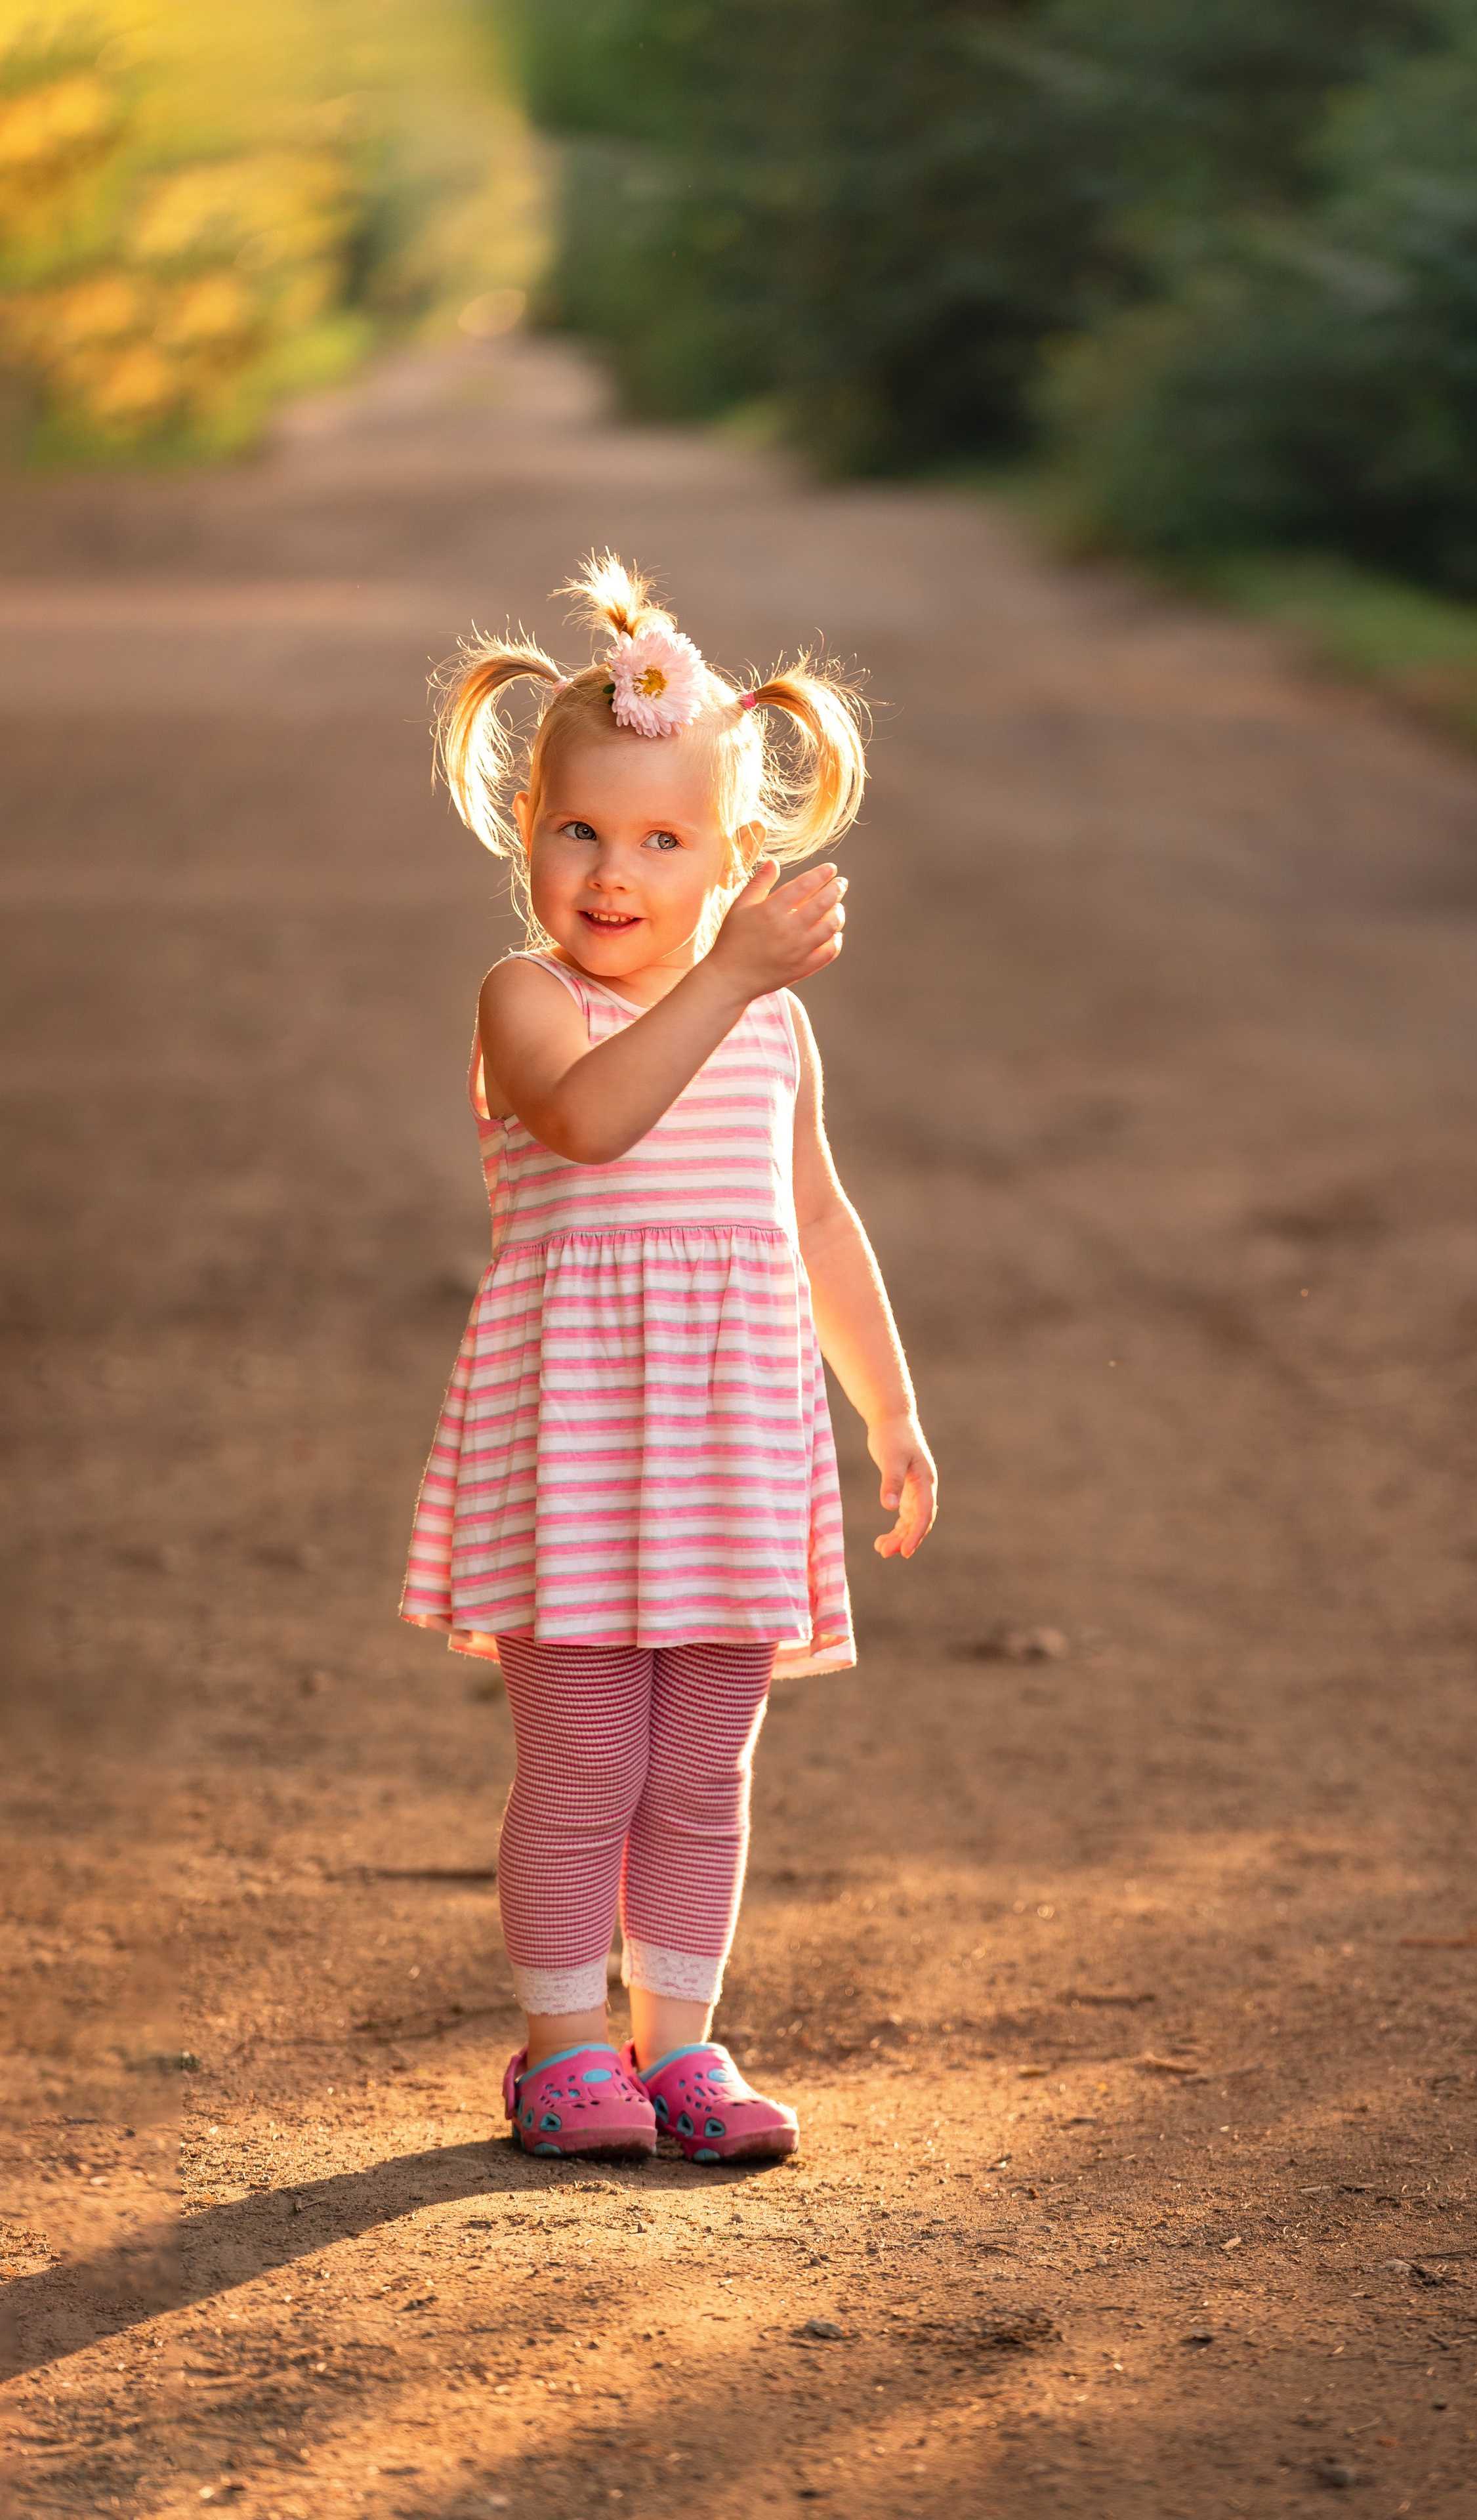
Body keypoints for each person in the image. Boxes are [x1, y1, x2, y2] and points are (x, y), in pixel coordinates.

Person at [401, 555, 936, 2164]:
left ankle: (679, 2046)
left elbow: (820, 1225)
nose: (611, 872)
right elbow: (590, 1119)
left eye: (659, 840)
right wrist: (729, 970)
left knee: (699, 1774)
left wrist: (889, 1413)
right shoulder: (528, 999)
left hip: (731, 1457)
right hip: (575, 1458)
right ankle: (563, 2048)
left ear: (736, 859)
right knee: (583, 1770)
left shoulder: (771, 1028)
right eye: (579, 830)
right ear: (525, 833)